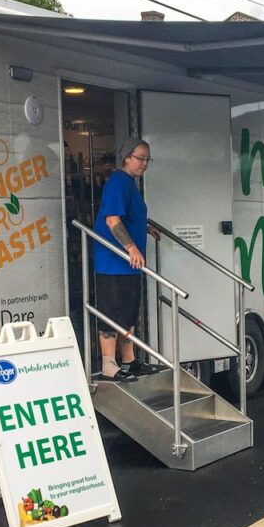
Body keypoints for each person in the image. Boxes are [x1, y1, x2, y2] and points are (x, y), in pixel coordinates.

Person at [93, 138, 160, 381]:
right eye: (140, 158)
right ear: (126, 157)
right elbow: (113, 220)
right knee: (112, 312)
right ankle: (109, 364)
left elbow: (130, 216)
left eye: (147, 159)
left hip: (129, 264)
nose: (144, 163)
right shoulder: (118, 183)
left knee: (128, 313)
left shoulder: (130, 185)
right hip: (113, 262)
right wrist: (131, 247)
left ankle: (129, 361)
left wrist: (147, 227)